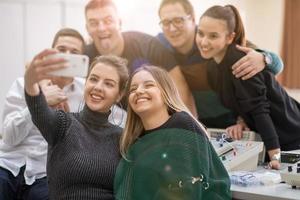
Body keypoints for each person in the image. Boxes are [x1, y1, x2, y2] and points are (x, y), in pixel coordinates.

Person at [196, 5, 300, 170]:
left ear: (230, 37)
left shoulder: (241, 63)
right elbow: (241, 101)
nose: (204, 41)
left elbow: (260, 111)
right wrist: (241, 120)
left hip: (291, 134)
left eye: (213, 36)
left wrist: (276, 157)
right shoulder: (212, 68)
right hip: (273, 138)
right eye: (200, 33)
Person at [157, 0, 284, 134]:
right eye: (166, 22)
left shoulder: (216, 39)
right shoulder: (160, 47)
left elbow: (277, 64)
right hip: (201, 125)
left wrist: (264, 58)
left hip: (235, 125)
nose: (172, 28)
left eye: (178, 20)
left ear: (192, 19)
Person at [114, 66, 231, 199]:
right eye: (133, 89)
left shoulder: (181, 124)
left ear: (165, 92)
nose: (139, 91)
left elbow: (186, 190)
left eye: (149, 85)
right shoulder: (134, 140)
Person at [24, 54, 128, 199]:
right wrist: (30, 80)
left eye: (108, 84)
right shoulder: (63, 123)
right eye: (93, 79)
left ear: (119, 95)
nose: (98, 87)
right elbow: (37, 107)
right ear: (86, 83)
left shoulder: (123, 138)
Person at [0, 28, 86, 200]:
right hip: (7, 165)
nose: (66, 56)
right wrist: (39, 101)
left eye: (74, 52)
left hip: (44, 175)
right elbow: (9, 137)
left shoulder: (86, 92)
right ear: (51, 53)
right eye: (61, 50)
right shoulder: (24, 84)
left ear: (81, 59)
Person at [84, 0, 198, 117]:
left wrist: (190, 131)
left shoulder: (149, 46)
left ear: (119, 22)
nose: (101, 28)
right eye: (94, 23)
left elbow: (180, 89)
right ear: (87, 28)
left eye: (108, 21)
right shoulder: (84, 56)